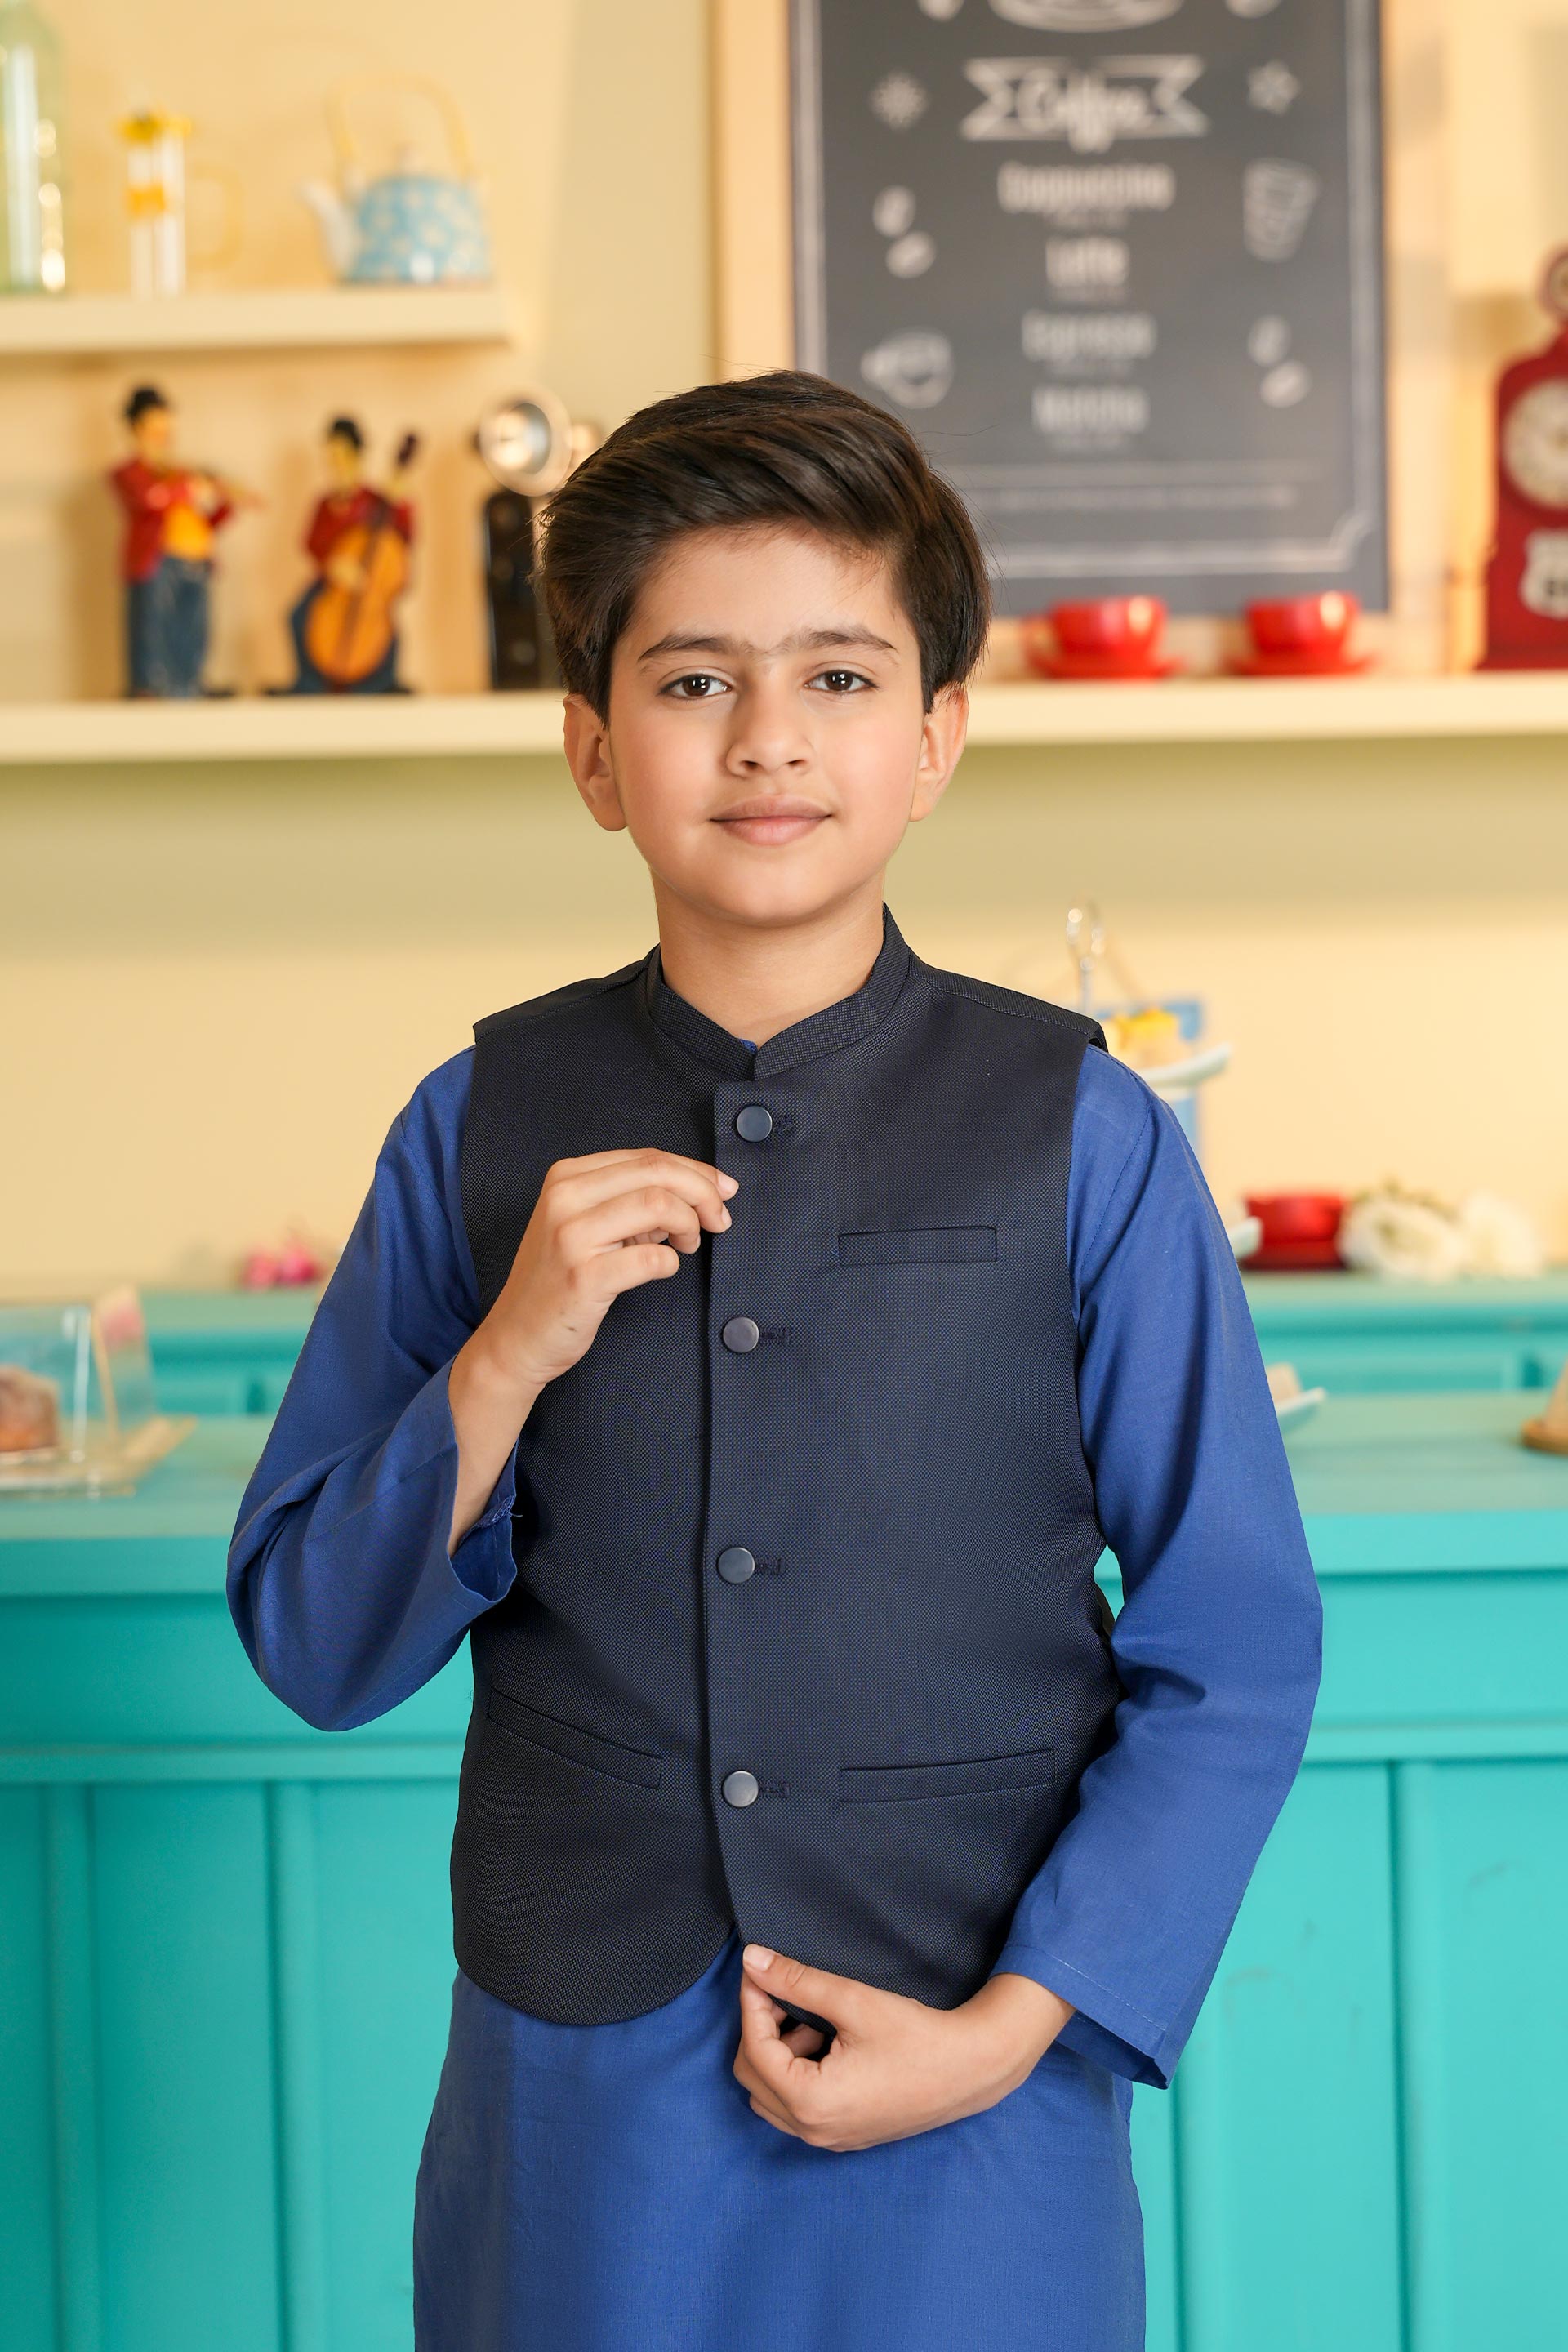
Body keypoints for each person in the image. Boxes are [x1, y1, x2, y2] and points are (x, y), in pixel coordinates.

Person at [227, 369, 1323, 2352]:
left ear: (937, 736)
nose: (768, 740)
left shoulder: (1088, 1135)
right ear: (591, 750)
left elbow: (1235, 1642)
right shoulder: (471, 1130)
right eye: (691, 681)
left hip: (974, 2060)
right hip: (580, 2089)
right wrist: (504, 1356)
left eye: (837, 676)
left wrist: (1017, 2024)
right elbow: (313, 1638)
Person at [108, 382, 252, 697]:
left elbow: (206, 520)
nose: (162, 439)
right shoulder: (129, 473)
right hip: (159, 562)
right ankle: (150, 685)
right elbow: (148, 499)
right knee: (154, 626)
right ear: (137, 430)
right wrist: (191, 489)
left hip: (195, 561)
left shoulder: (181, 474)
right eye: (155, 431)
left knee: (193, 627)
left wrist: (223, 498)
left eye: (166, 432)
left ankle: (191, 683)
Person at [278, 414, 416, 693]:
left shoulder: (375, 501)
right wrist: (333, 564)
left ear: (357, 456)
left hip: (369, 585)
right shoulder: (324, 504)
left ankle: (383, 681)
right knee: (298, 614)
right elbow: (311, 543)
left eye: (342, 457)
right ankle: (308, 681)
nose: (337, 465)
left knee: (387, 628)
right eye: (331, 458)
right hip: (332, 583)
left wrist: (401, 503)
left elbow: (404, 536)